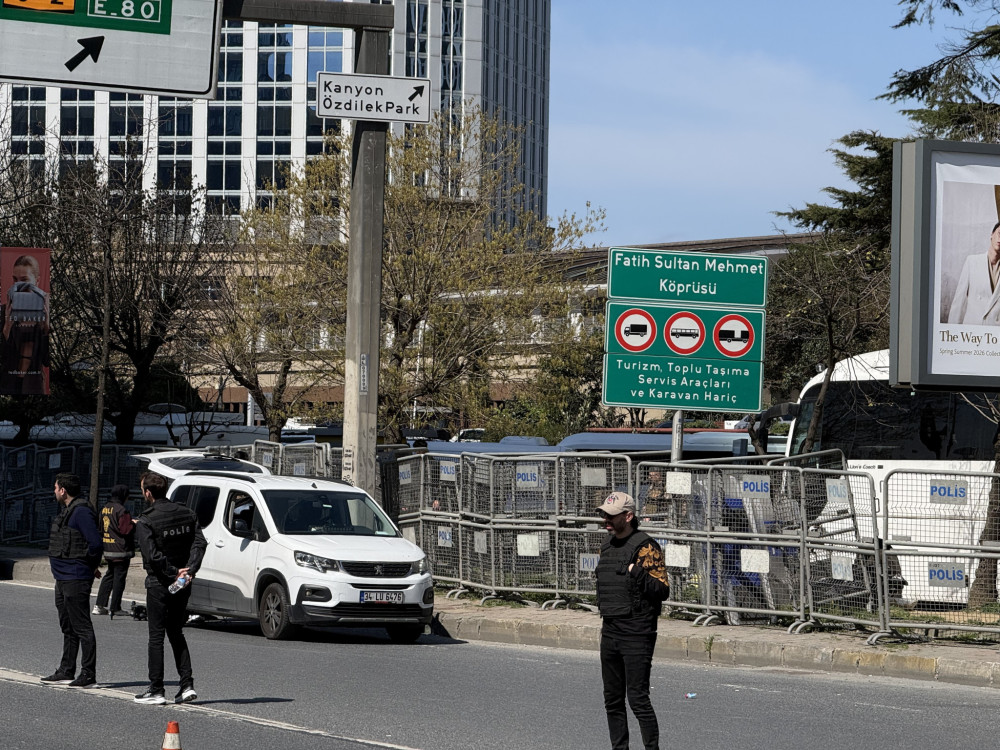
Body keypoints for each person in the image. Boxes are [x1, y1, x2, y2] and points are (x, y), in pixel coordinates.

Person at [595, 491, 670, 750]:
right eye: (604, 513)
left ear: (628, 516)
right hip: (611, 630)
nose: (606, 519)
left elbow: (662, 590)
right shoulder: (607, 545)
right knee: (612, 700)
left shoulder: (646, 547)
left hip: (637, 632)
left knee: (637, 699)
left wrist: (636, 571)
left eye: (611, 516)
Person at [133, 470, 207, 705]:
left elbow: (152, 556)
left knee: (156, 636)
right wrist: (189, 570)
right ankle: (186, 685)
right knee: (176, 632)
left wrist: (174, 571)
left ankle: (156, 690)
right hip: (183, 583)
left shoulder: (146, 520)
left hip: (160, 583)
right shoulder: (188, 513)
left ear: (148, 493)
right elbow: (200, 543)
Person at [42, 473, 102, 689]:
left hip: (76, 577)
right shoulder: (69, 510)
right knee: (68, 626)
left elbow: (95, 544)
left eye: (55, 487)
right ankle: (66, 669)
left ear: (63, 490)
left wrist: (89, 566)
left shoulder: (81, 512)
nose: (54, 491)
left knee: (82, 627)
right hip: (62, 578)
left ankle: (88, 674)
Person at [0, 253, 50, 395]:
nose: (18, 285)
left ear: (37, 281)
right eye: (15, 279)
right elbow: (2, 357)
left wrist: (46, 325)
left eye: (24, 280)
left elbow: (47, 361)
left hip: (33, 388)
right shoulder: (4, 310)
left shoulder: (46, 311)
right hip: (7, 386)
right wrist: (7, 327)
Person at [93, 484, 136, 617]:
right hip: (121, 550)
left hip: (108, 548)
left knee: (109, 576)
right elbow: (125, 530)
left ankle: (99, 605)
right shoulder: (121, 510)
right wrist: (134, 524)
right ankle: (115, 607)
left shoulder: (105, 508)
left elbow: (100, 528)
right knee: (119, 578)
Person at [948, 221, 1000, 325]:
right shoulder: (972, 262)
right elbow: (959, 303)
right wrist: (952, 333)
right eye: (999, 234)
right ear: (992, 234)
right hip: (972, 334)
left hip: (995, 337)